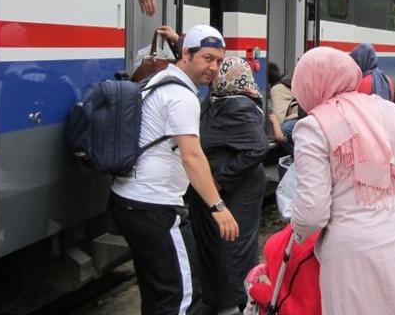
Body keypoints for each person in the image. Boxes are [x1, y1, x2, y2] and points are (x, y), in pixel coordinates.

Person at [289, 47, 395, 315]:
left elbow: (311, 213)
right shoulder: (384, 109)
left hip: (358, 256)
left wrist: (297, 234)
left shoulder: (313, 127)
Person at [111, 25, 239, 315]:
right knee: (179, 296)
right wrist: (218, 207)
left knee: (156, 292)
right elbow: (192, 156)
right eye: (207, 58)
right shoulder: (182, 98)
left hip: (128, 199)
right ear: (186, 54)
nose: (214, 67)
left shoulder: (159, 79)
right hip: (155, 206)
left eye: (219, 61)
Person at [186, 57, 268, 315]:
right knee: (219, 244)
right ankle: (223, 299)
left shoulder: (238, 105)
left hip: (238, 190)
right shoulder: (221, 99)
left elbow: (258, 147)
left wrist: (221, 178)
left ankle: (235, 303)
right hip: (229, 187)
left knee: (232, 246)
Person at [267, 63, 300, 154]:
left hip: (296, 117)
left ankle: (298, 155)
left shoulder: (276, 89)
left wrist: (272, 134)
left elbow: (278, 116)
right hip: (301, 116)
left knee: (281, 131)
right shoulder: (285, 82)